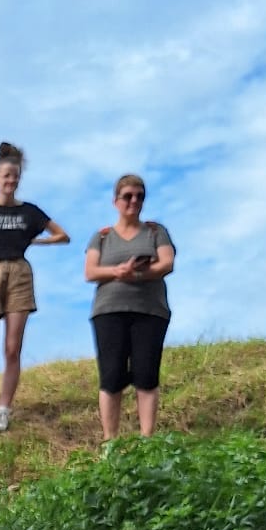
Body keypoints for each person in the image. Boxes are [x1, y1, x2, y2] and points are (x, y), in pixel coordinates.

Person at [0, 141, 70, 433]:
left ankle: (3, 409)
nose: (10, 181)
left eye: (15, 177)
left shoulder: (30, 212)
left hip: (19, 274)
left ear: (19, 179)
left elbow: (63, 235)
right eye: (5, 176)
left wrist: (37, 241)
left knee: (12, 348)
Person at [83, 174, 176, 441]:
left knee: (146, 374)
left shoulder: (156, 232)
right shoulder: (101, 237)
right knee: (111, 376)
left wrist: (136, 275)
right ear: (116, 201)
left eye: (139, 196)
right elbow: (90, 272)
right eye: (128, 196)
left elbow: (166, 263)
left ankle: (147, 439)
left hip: (150, 311)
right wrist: (118, 271)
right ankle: (110, 441)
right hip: (109, 310)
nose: (134, 201)